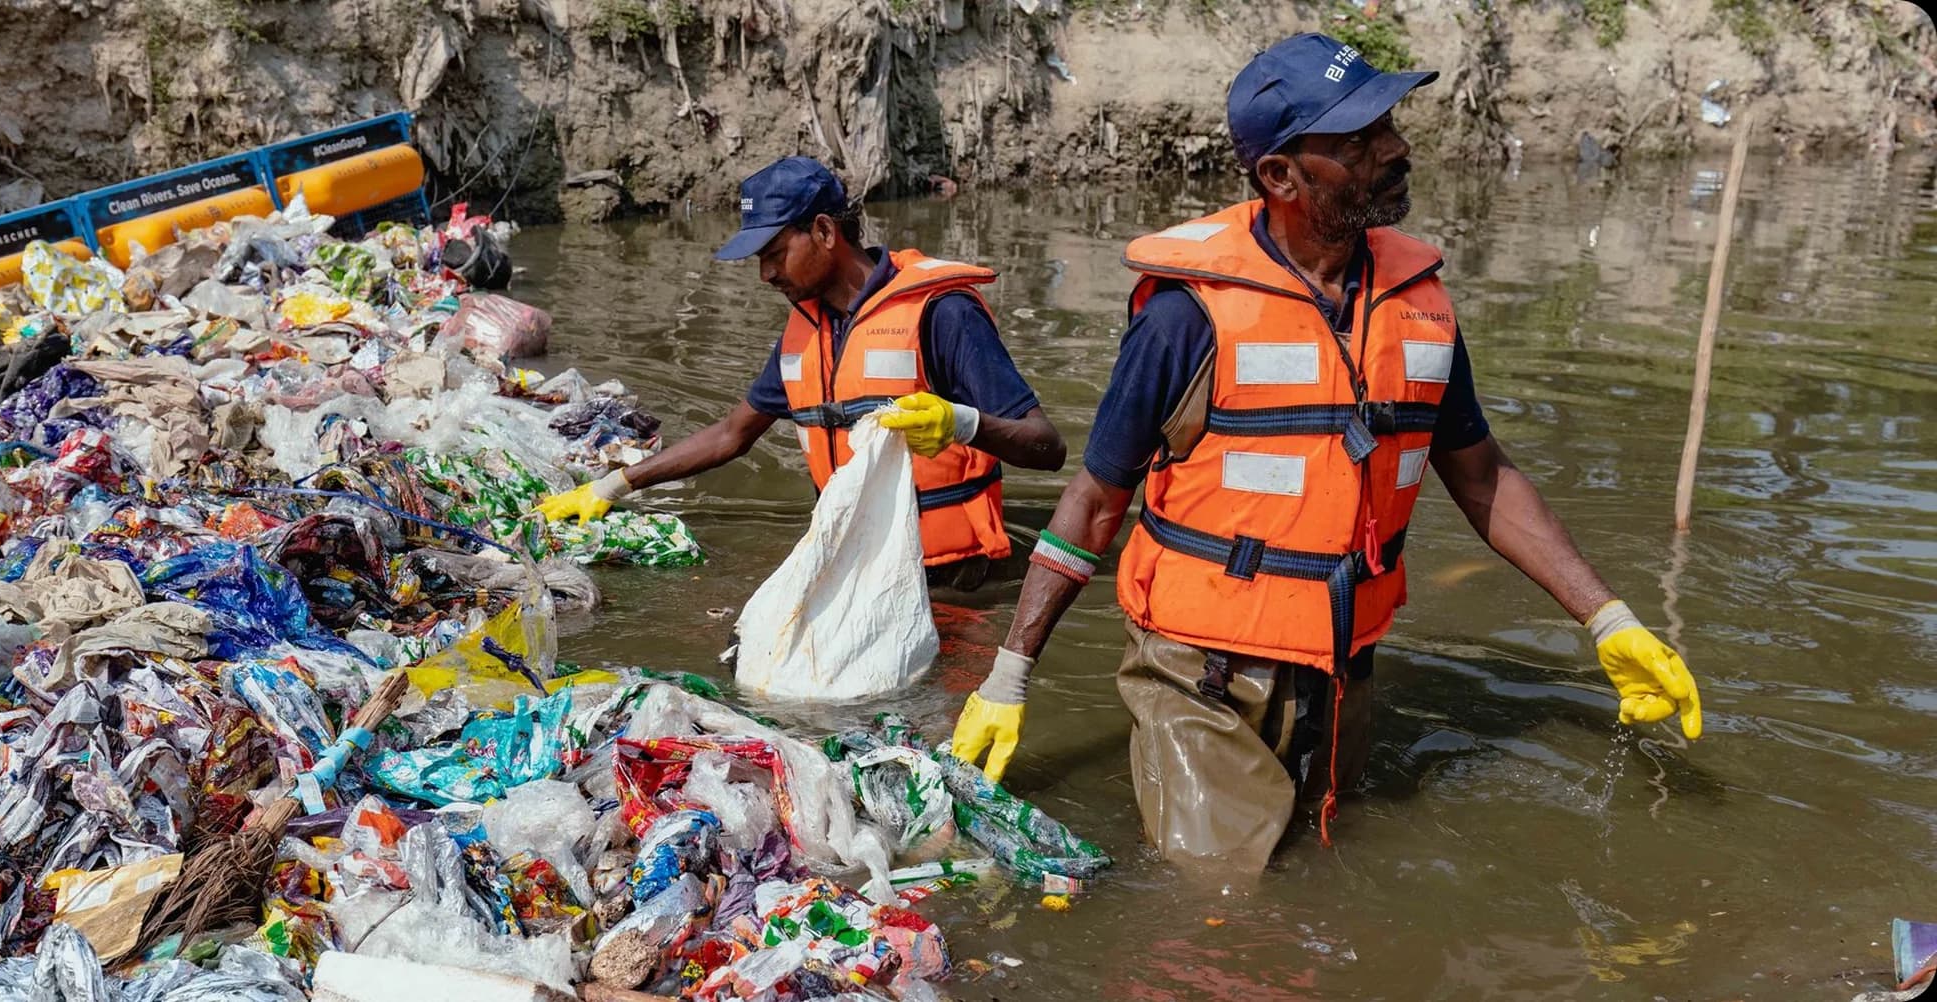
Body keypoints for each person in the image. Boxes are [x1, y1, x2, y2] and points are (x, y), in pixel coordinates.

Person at [946, 34, 1704, 870]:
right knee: (1219, 912)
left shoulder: (1419, 306)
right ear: (1280, 177)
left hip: (1344, 676)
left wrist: (1608, 618)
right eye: (1358, 141)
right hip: (1201, 676)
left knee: (1328, 867)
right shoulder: (1184, 316)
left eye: (1390, 125)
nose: (1396, 150)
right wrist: (1009, 673)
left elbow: (1483, 476)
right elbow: (1095, 500)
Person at [536, 156, 1065, 590]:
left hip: (949, 586)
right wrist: (612, 485)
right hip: (850, 571)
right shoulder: (805, 332)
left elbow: (1047, 447)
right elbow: (732, 435)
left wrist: (959, 422)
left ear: (824, 231)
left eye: (775, 254)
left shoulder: (943, 312)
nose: (765, 274)